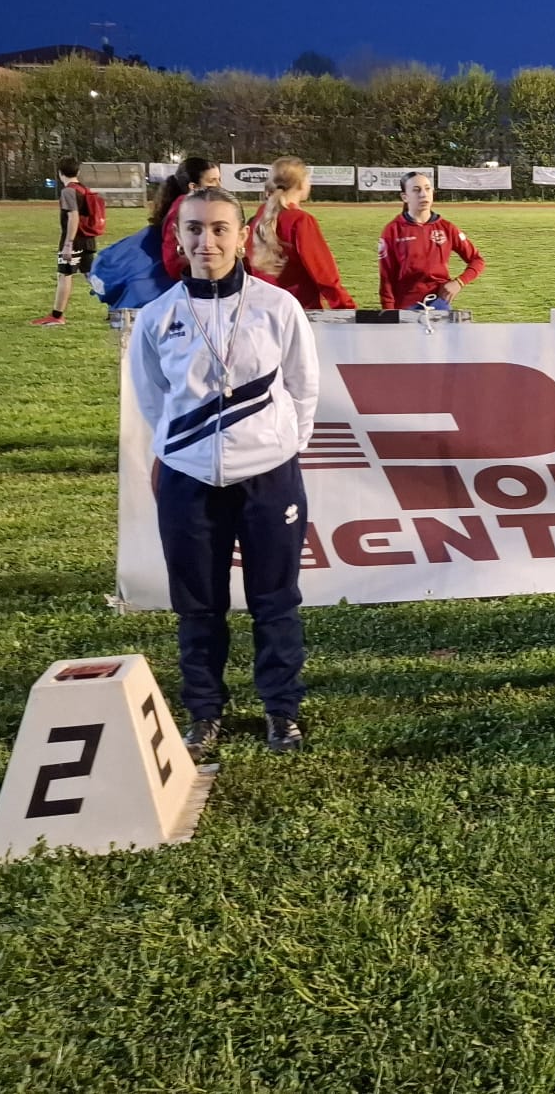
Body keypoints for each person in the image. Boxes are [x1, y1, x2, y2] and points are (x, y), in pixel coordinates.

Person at [131, 186, 318, 755]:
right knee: (197, 604)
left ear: (241, 236)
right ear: (178, 236)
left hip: (269, 477)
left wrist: (275, 448)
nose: (206, 241)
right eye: (194, 229)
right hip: (188, 481)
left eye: (218, 229)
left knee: (275, 600)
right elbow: (152, 399)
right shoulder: (157, 316)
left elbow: (304, 388)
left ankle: (281, 711)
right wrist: (187, 451)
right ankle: (204, 712)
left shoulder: (277, 307)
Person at [247, 157, 356, 310]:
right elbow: (325, 275)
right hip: (299, 312)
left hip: (262, 311)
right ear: (301, 184)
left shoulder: (258, 218)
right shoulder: (300, 221)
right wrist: (347, 308)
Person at [379, 171, 485, 310]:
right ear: (405, 197)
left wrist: (459, 282)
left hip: (438, 305)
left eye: (427, 189)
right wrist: (389, 311)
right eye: (416, 190)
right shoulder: (393, 230)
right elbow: (386, 277)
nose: (423, 194)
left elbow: (477, 260)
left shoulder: (447, 228)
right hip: (405, 306)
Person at [30, 157, 99, 327]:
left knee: (64, 275)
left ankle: (57, 316)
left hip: (75, 240)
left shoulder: (68, 191)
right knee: (91, 276)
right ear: (78, 172)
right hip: (87, 239)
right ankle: (117, 308)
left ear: (60, 173)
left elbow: (73, 217)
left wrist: (68, 244)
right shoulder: (83, 189)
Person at [150, 158, 223, 283]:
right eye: (212, 181)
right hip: (188, 273)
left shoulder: (182, 204)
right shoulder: (188, 208)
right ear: (193, 187)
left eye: (219, 179)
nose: (219, 186)